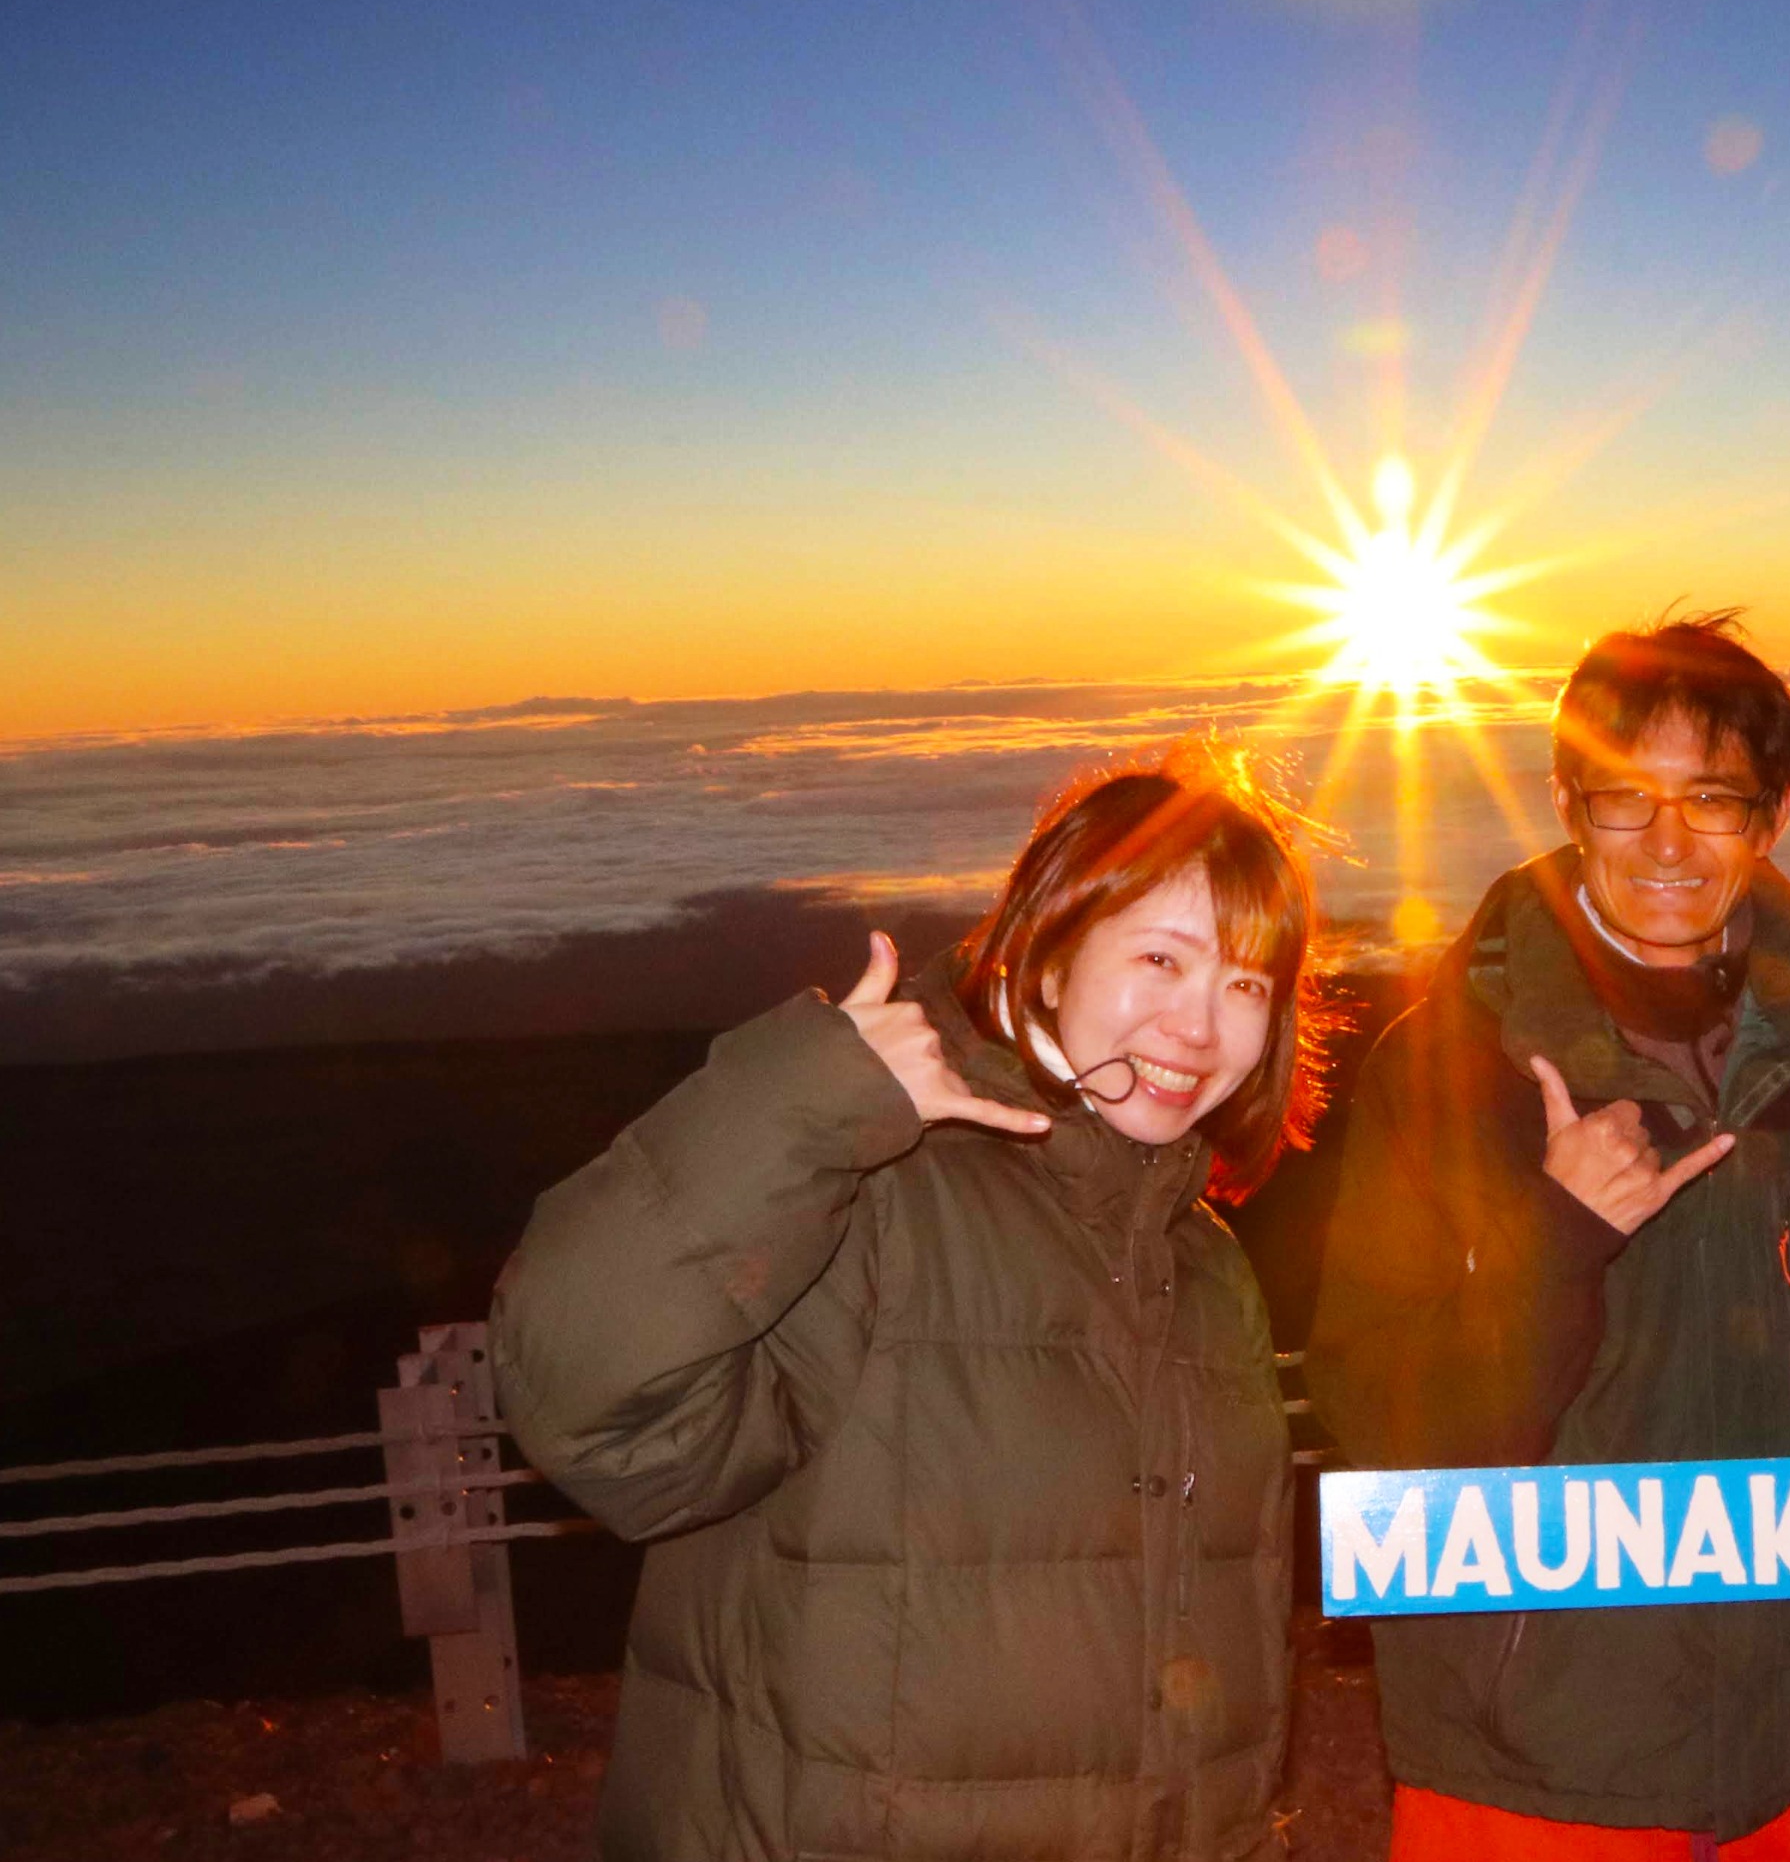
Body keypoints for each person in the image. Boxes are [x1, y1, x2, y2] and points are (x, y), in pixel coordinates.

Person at [493, 744, 1324, 1862]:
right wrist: (799, 1106)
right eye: (1164, 959)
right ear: (1045, 954)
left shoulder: (1208, 1268)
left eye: (1246, 984)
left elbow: (1217, 1649)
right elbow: (589, 1405)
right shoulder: (878, 1193)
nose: (1201, 1026)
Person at [1308, 612, 1790, 1860]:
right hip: (1534, 1765)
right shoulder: (1448, 1067)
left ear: (1773, 813)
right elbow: (1381, 1418)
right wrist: (1558, 1239)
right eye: (1621, 799)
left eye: (1710, 799)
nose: (1664, 842)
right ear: (1565, 802)